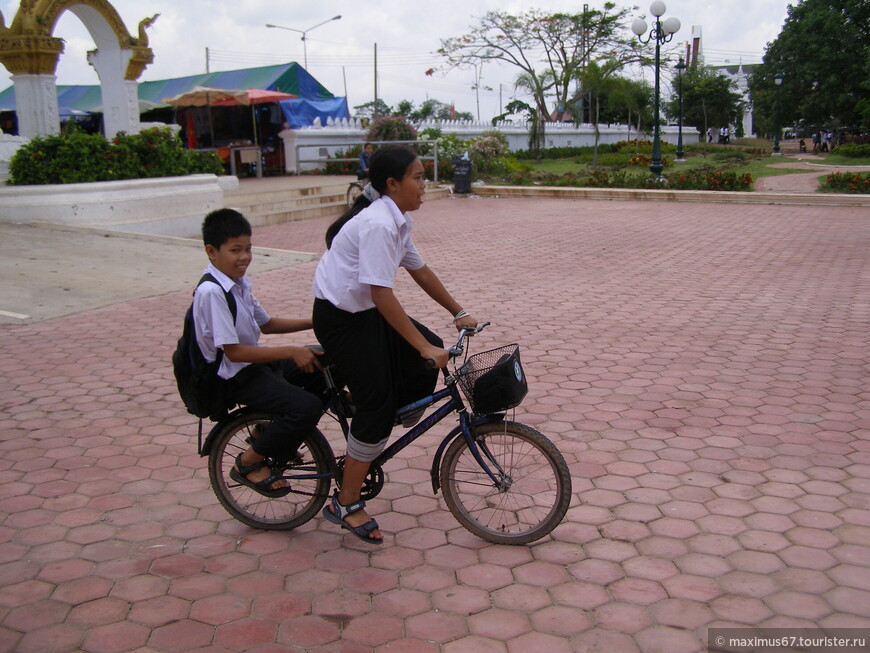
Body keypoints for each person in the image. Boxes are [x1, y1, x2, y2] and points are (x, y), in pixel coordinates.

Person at [312, 145, 477, 544]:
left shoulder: (396, 220)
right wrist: (421, 346)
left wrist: (458, 312)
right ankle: (346, 502)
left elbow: (419, 270)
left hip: (363, 312)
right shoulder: (378, 226)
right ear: (392, 183)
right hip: (341, 320)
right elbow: (381, 294)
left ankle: (373, 420)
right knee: (381, 401)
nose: (425, 185)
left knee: (432, 351)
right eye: (418, 178)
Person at [195, 208, 325, 496]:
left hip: (252, 364)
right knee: (306, 406)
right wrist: (292, 351)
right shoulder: (212, 292)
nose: (244, 257)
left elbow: (266, 325)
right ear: (211, 252)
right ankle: (248, 462)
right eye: (235, 250)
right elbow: (235, 353)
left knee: (322, 362)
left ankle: (267, 436)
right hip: (233, 375)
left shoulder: (238, 283)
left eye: (248, 249)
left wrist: (316, 322)